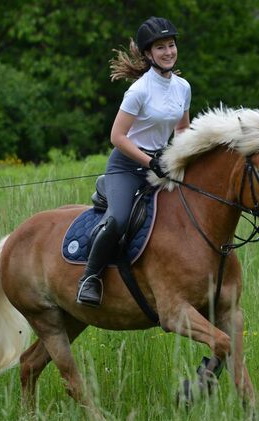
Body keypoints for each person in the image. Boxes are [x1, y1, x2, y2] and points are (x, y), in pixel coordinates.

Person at [76, 16, 191, 307]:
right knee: (117, 220)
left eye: (171, 45)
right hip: (127, 166)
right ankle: (90, 277)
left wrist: (176, 156)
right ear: (149, 54)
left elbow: (181, 129)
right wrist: (149, 161)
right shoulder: (139, 90)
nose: (168, 52)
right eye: (161, 47)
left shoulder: (183, 87)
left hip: (162, 164)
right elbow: (117, 136)